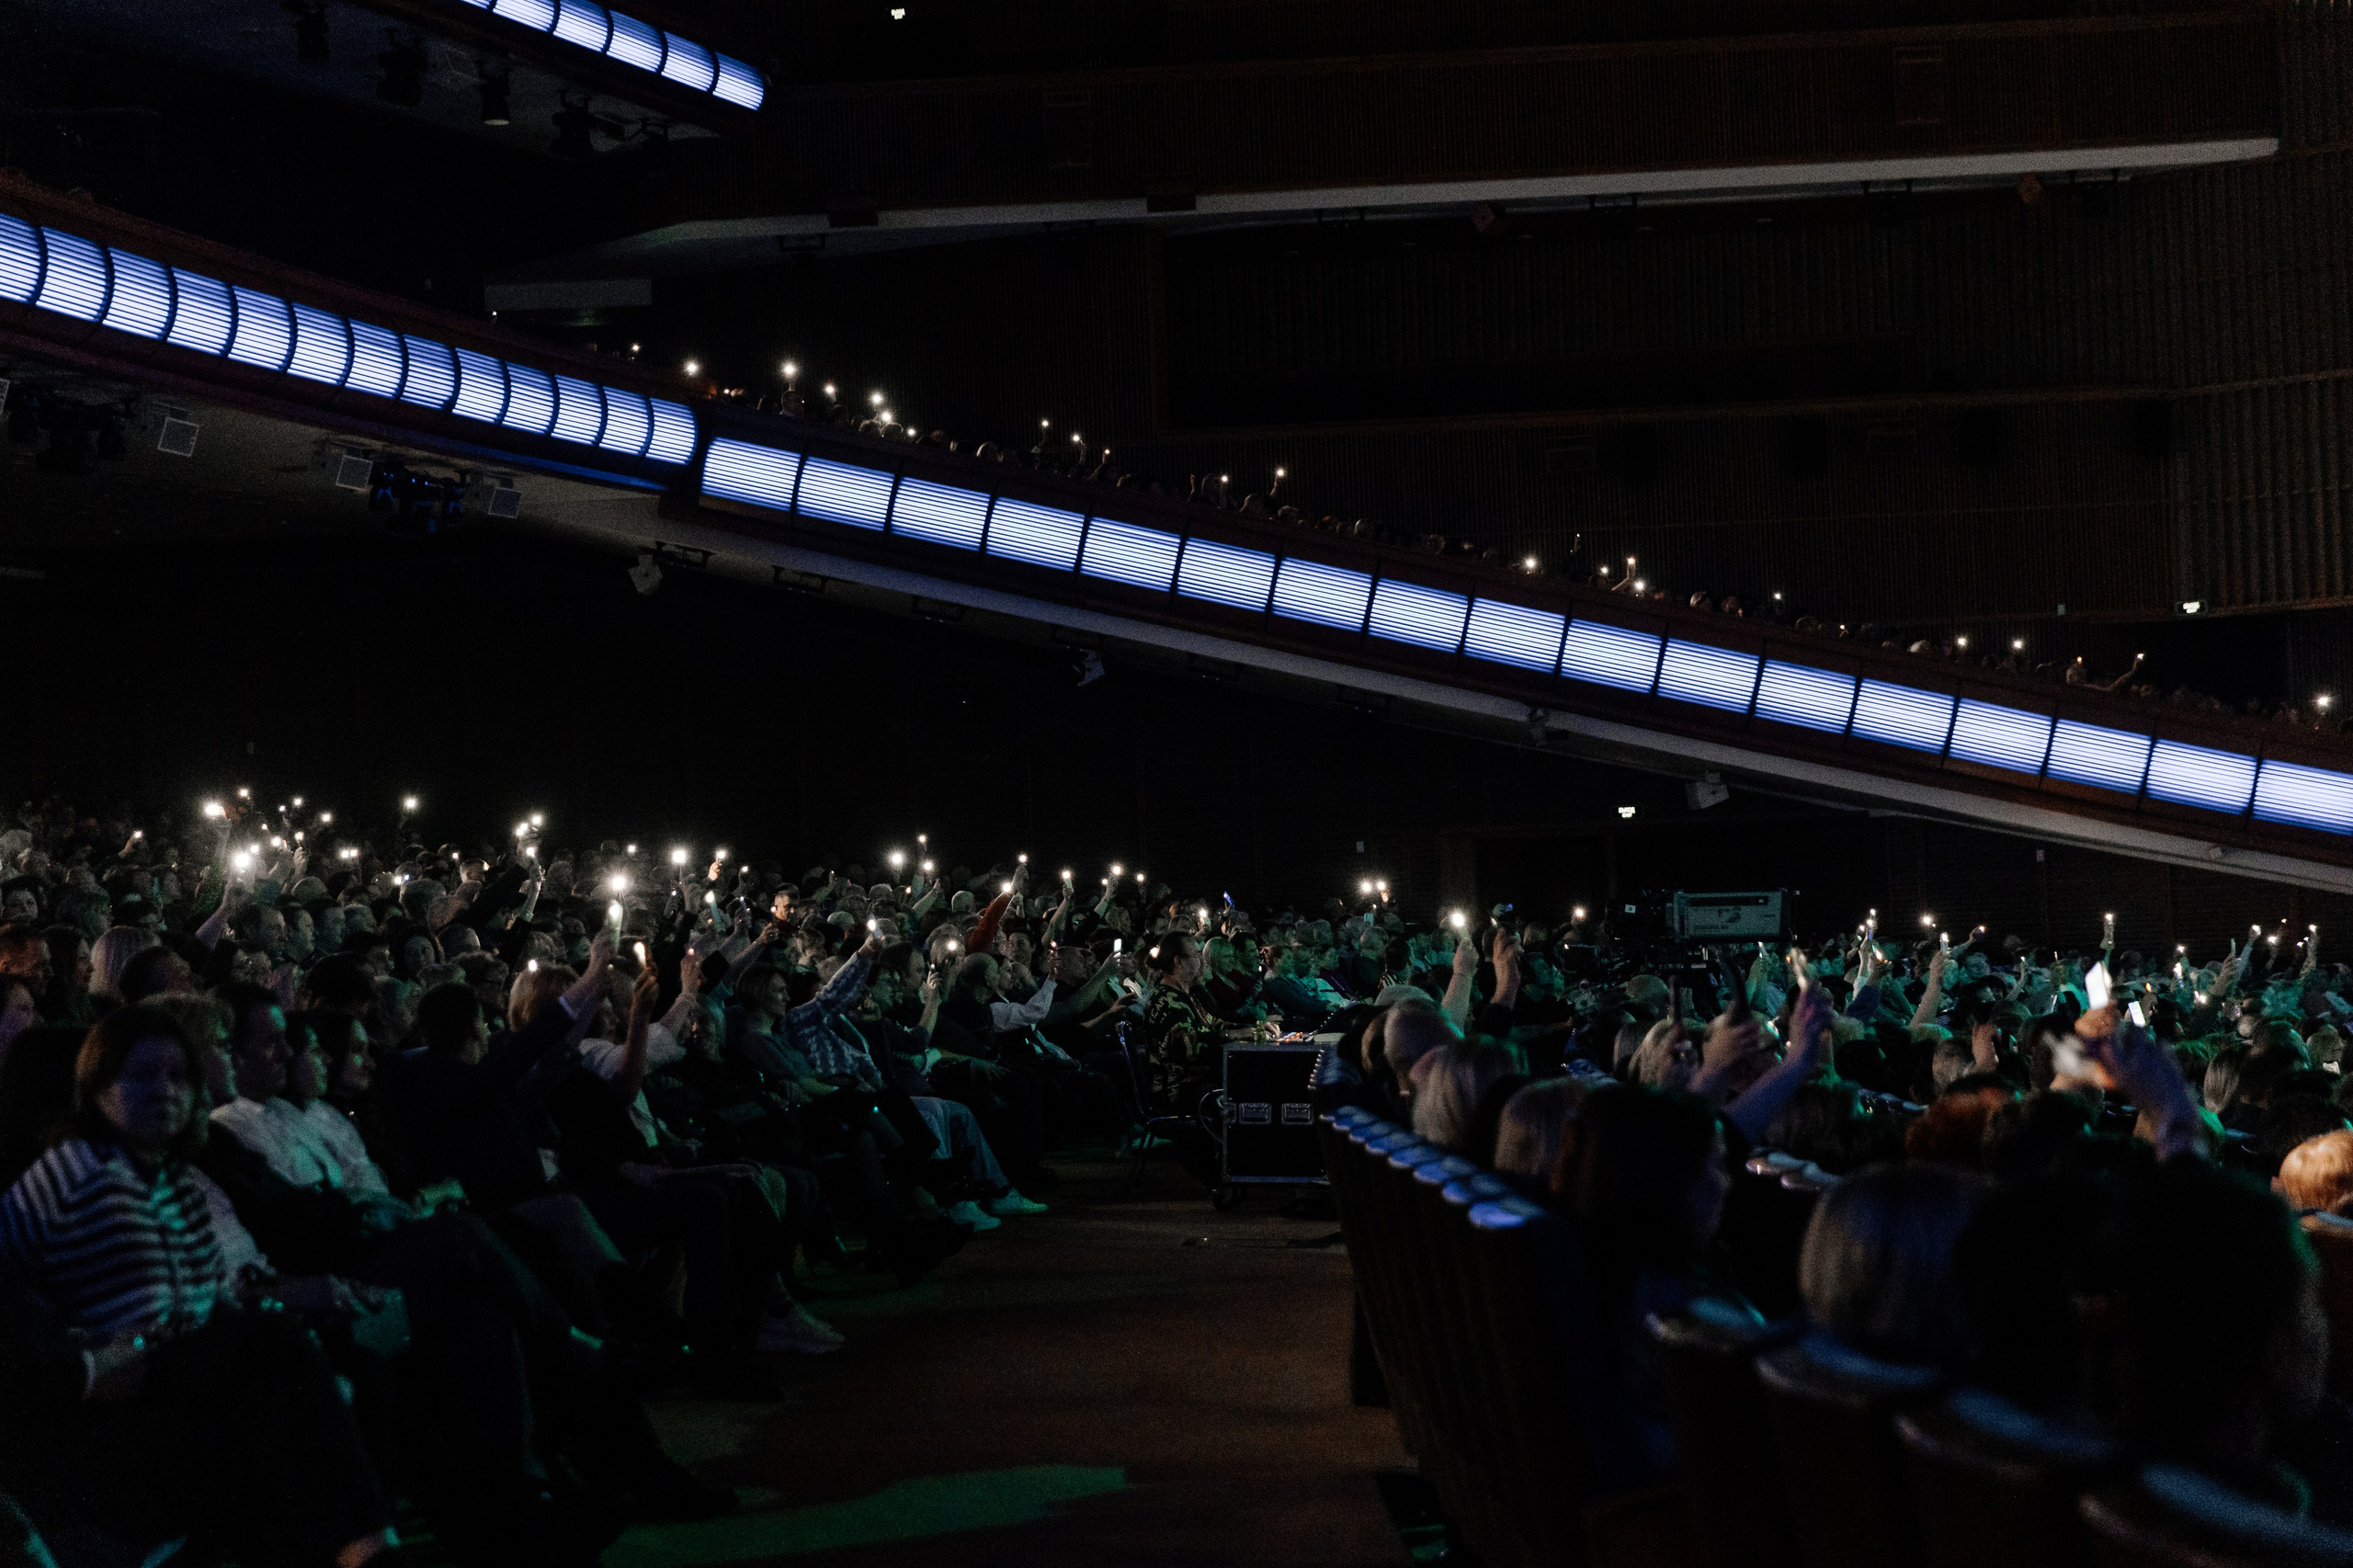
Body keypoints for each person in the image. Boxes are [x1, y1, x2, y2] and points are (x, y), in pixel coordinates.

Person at [0, 1006, 400, 1568]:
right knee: (274, 1360)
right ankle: (368, 1546)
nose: (162, 1091)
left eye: (177, 1077)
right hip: (112, 1394)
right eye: (139, 1077)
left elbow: (202, 1297)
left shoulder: (176, 1182)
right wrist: (82, 1358)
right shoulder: (64, 1176)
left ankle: (361, 1543)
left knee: (280, 1382)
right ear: (93, 1089)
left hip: (174, 1368)